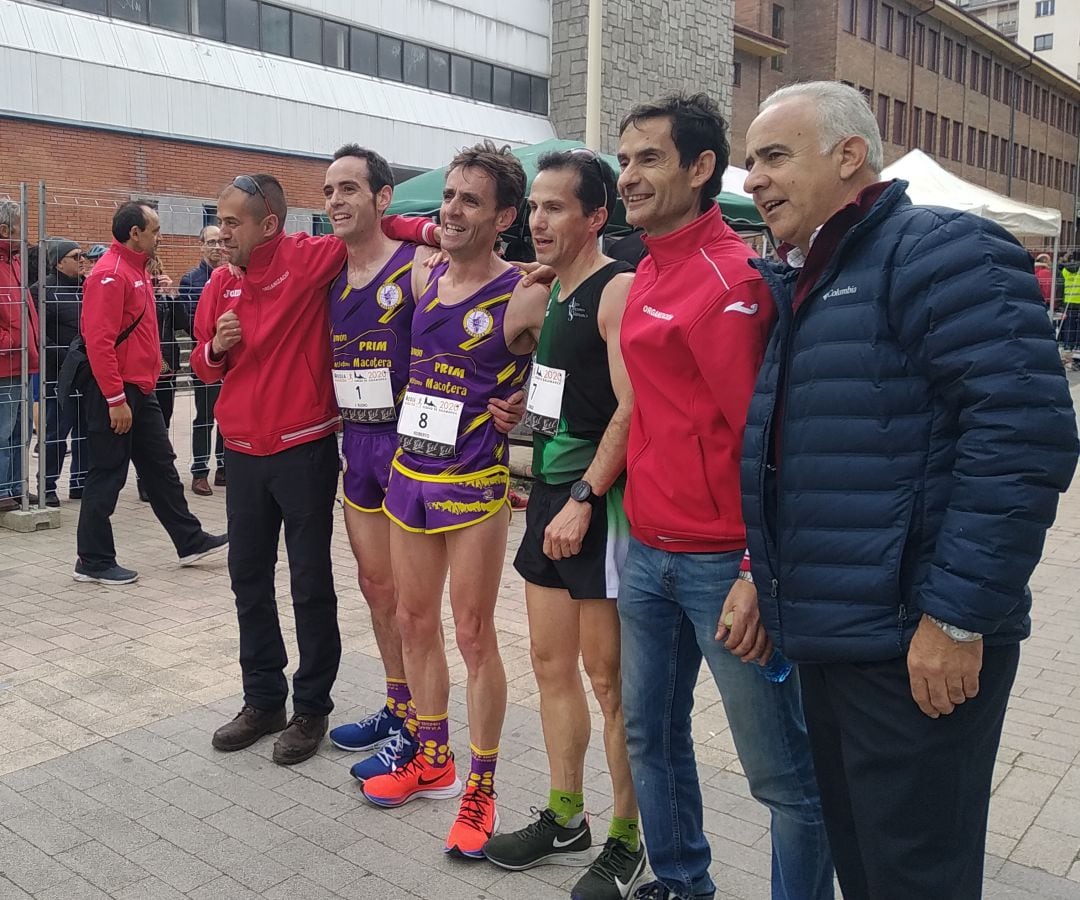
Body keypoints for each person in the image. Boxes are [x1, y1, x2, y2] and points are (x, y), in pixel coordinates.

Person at [740, 81, 1079, 900]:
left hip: (915, 645)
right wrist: (763, 578)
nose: (754, 179)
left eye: (775, 156)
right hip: (837, 636)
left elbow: (1022, 437)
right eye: (752, 160)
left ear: (849, 155)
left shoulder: (940, 251)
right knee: (870, 866)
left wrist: (958, 618)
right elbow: (812, 459)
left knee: (913, 875)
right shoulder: (813, 278)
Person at [613, 94, 833, 900]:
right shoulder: (647, 269)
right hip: (648, 555)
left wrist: (751, 568)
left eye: (649, 159)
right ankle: (679, 881)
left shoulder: (727, 282)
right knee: (651, 735)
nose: (629, 176)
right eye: (626, 158)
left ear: (702, 169)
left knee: (783, 776)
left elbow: (768, 440)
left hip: (720, 568)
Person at [191, 174, 435, 767]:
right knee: (247, 579)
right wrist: (217, 349)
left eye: (232, 223)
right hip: (243, 454)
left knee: (308, 582)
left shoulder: (308, 258)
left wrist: (429, 228)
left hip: (304, 448)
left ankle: (311, 707)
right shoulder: (220, 284)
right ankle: (262, 700)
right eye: (218, 222)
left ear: (268, 224)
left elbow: (377, 228)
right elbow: (200, 367)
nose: (221, 235)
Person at [360, 142, 549, 860]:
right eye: (448, 196)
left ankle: (481, 785)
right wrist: (421, 227)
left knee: (473, 636)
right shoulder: (426, 267)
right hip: (409, 472)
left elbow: (570, 374)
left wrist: (528, 404)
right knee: (413, 621)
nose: (452, 210)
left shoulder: (526, 291)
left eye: (471, 200)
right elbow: (386, 230)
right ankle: (431, 757)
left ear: (505, 216)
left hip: (474, 486)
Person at [481, 149, 644, 900]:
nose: (537, 221)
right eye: (534, 207)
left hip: (594, 504)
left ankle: (626, 838)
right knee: (551, 668)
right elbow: (551, 381)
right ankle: (565, 813)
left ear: (596, 217)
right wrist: (524, 414)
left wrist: (585, 494)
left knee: (610, 681)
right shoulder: (547, 291)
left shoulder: (618, 290)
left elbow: (632, 409)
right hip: (546, 492)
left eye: (554, 208)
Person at [74, 201, 227, 585]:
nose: (160, 236)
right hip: (117, 393)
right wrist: (114, 399)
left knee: (160, 467)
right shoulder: (110, 275)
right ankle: (92, 561)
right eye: (155, 230)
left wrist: (152, 364)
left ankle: (189, 540)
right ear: (134, 233)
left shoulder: (136, 271)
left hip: (140, 391)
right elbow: (100, 342)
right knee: (107, 474)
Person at [40, 239, 88, 506]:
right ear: (59, 261)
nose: (83, 259)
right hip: (59, 374)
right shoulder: (43, 290)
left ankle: (80, 482)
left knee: (86, 431)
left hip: (87, 373)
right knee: (57, 432)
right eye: (76, 256)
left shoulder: (87, 288)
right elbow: (40, 336)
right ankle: (46, 485)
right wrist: (70, 357)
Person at [180, 225, 226, 496]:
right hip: (207, 355)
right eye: (211, 242)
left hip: (231, 358)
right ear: (201, 245)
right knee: (205, 416)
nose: (217, 247)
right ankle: (199, 471)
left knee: (227, 415)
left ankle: (224, 467)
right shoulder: (192, 280)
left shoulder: (235, 274)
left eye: (221, 241)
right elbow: (190, 319)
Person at [0, 198, 39, 513]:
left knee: (21, 430)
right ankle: (2, 491)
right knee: (4, 430)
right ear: (4, 230)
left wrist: (32, 343)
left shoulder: (15, 261)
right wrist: (12, 340)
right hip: (5, 362)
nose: (25, 234)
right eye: (19, 228)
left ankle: (15, 488)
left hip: (24, 361)